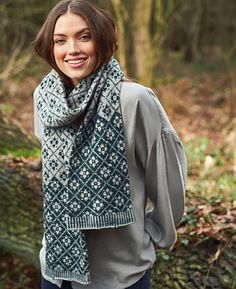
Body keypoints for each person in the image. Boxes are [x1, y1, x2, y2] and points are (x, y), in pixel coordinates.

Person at [33, 1, 187, 289]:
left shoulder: (134, 100)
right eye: (60, 40)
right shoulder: (44, 99)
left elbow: (168, 176)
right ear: (50, 47)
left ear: (101, 40)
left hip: (120, 276)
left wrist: (149, 237)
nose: (72, 50)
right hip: (54, 272)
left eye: (84, 36)